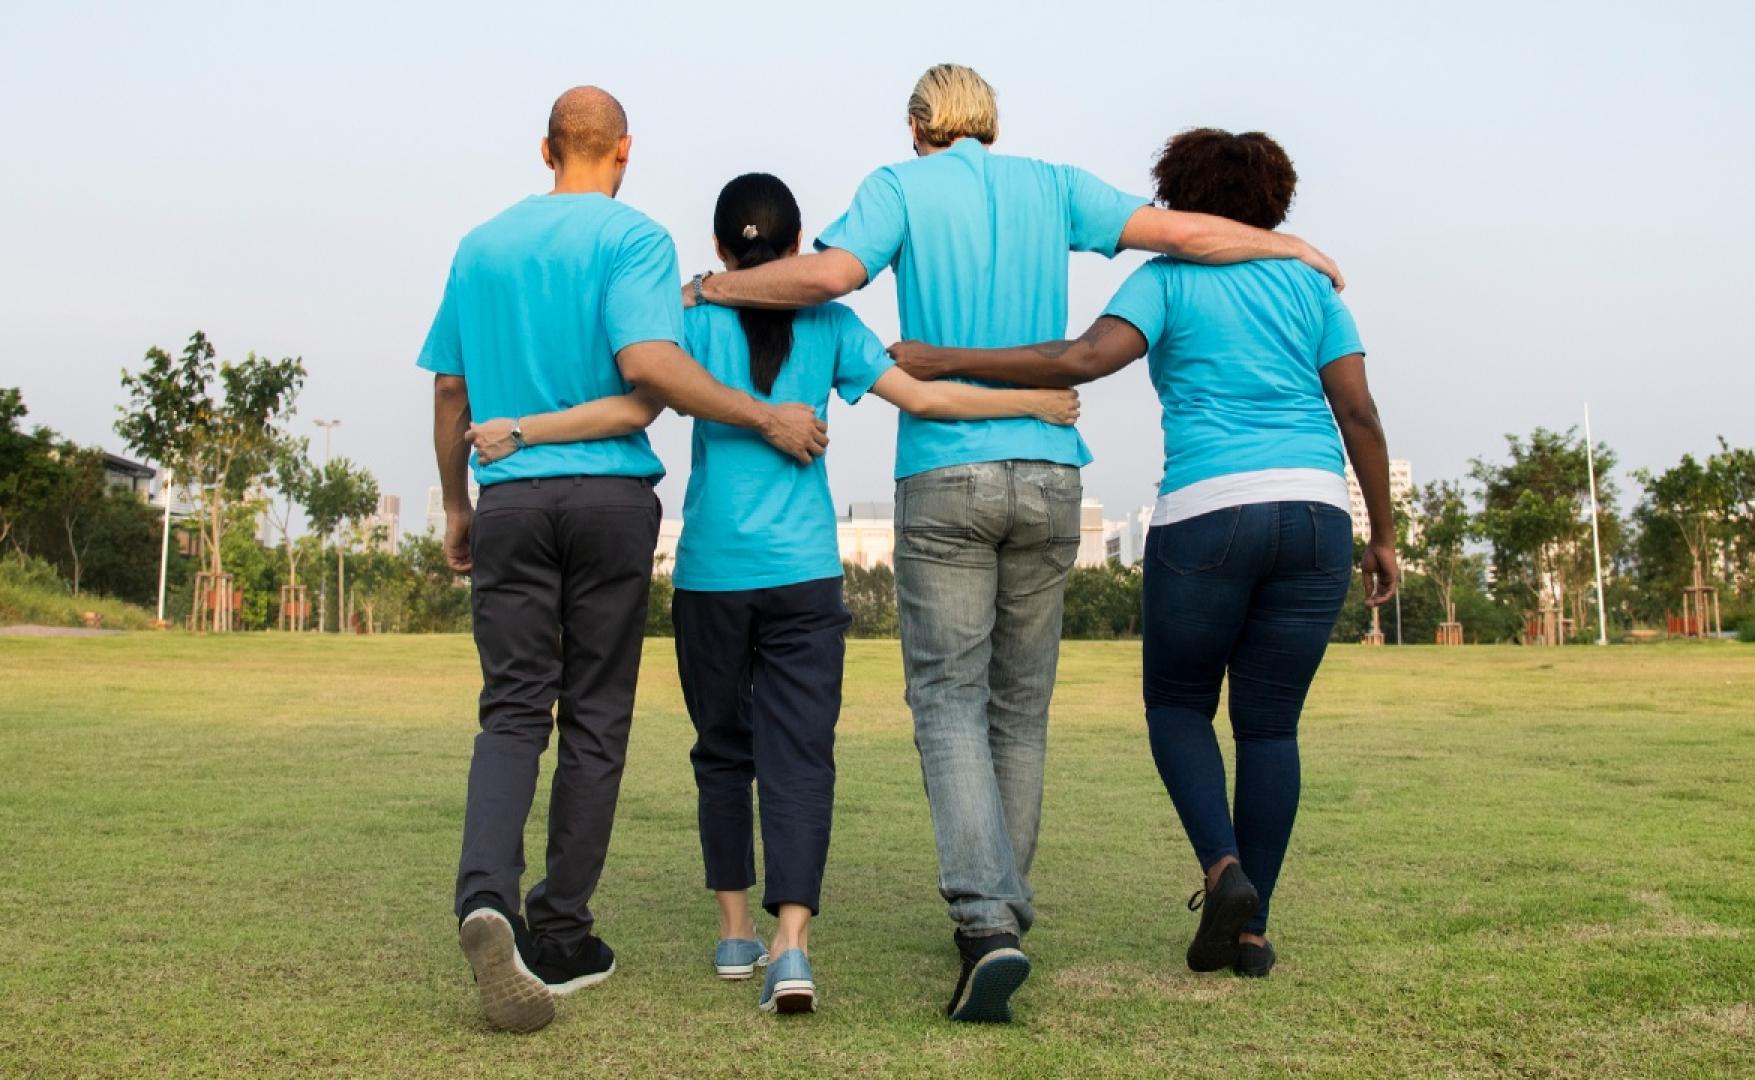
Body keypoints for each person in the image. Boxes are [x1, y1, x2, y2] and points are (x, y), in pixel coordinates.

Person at [686, 63, 1346, 1022]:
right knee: (1020, 708)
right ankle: (1004, 913)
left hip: (945, 473)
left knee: (949, 700)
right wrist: (1292, 246)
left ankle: (987, 924)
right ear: (989, 121)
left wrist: (710, 284)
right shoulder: (1058, 185)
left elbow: (830, 277)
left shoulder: (899, 187)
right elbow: (1183, 231)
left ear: (919, 123)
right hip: (1049, 472)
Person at [466, 172, 1080, 1015]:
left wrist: (525, 427)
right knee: (801, 757)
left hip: (711, 575)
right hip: (803, 576)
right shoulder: (831, 322)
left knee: (722, 753)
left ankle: (733, 934)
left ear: (722, 249)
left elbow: (628, 399)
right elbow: (928, 399)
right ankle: (792, 948)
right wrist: (1036, 404)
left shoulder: (684, 319)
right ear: (796, 251)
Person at [889, 127, 1399, 981]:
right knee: (1270, 726)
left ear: (1181, 197)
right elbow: (1360, 414)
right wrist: (1381, 533)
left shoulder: (1167, 279)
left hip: (1209, 511)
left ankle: (1223, 870)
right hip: (1316, 514)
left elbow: (1082, 360)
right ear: (1276, 202)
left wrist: (948, 359)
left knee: (1177, 706)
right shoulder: (1313, 286)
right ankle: (1248, 932)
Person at [419, 87, 827, 1034]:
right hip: (609, 501)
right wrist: (765, 413)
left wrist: (454, 500)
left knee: (512, 709)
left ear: (546, 148)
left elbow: (450, 390)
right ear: (625, 151)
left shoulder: (479, 246)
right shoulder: (635, 241)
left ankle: (488, 898)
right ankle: (561, 932)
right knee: (596, 716)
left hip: (511, 496)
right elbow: (649, 369)